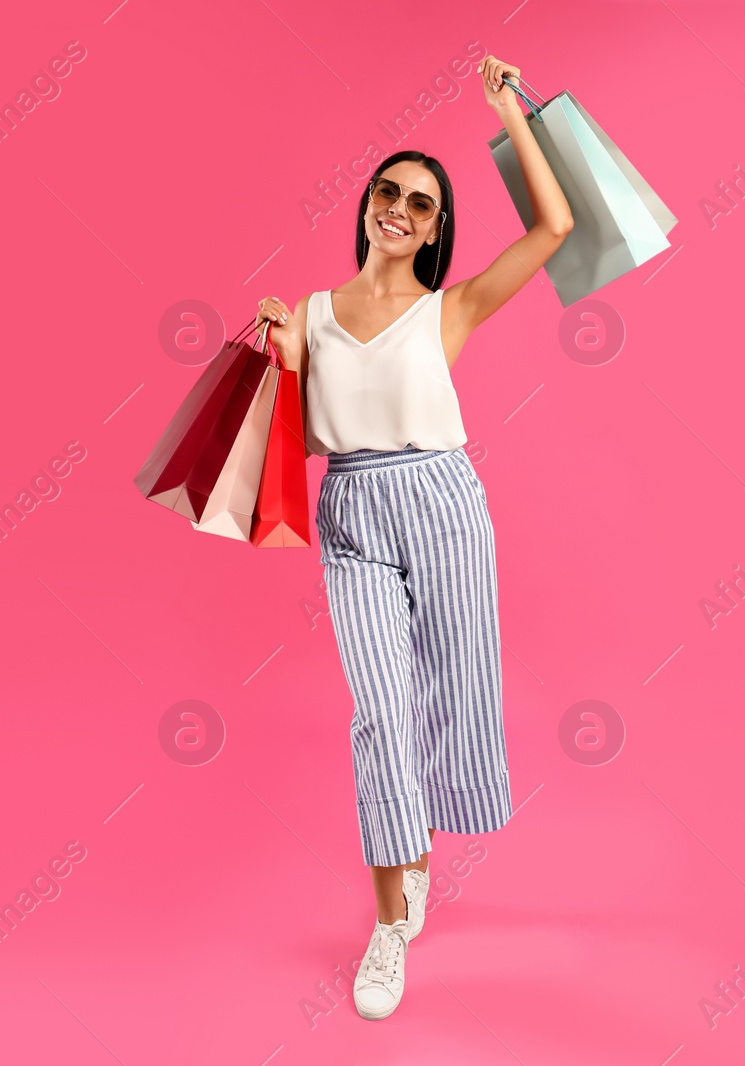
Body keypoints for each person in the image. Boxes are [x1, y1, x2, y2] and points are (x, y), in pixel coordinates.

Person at [255, 54, 573, 1021]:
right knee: (378, 710)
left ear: (436, 229)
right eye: (388, 193)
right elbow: (306, 443)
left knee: (458, 687)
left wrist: (509, 109)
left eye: (421, 205)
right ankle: (392, 924)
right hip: (351, 512)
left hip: (440, 504)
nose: (399, 208)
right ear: (366, 208)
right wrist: (280, 353)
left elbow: (555, 227)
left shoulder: (452, 308)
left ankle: (428, 845)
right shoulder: (310, 313)